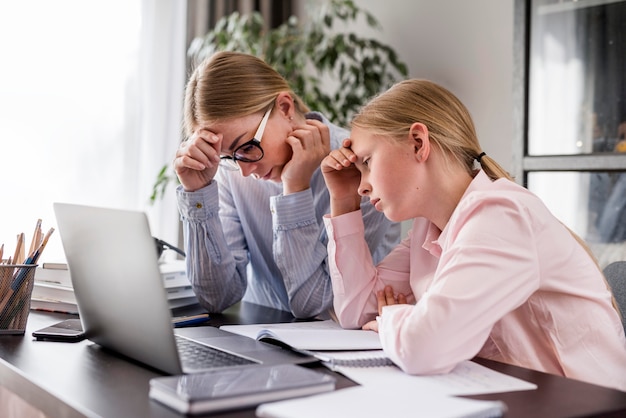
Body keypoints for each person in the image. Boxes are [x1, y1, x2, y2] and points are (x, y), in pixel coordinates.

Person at [320, 79, 626, 391]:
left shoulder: (501, 215)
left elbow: (424, 347)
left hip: (587, 405)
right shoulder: (429, 230)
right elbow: (357, 310)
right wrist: (344, 202)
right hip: (518, 396)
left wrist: (392, 317)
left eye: (368, 163)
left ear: (417, 143)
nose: (362, 185)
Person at [173, 51, 400, 319]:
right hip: (261, 340)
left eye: (246, 146)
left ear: (285, 108)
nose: (245, 170)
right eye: (226, 157)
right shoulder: (232, 171)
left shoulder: (360, 168)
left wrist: (295, 189)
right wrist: (197, 193)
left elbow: (315, 305)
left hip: (346, 346)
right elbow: (217, 297)